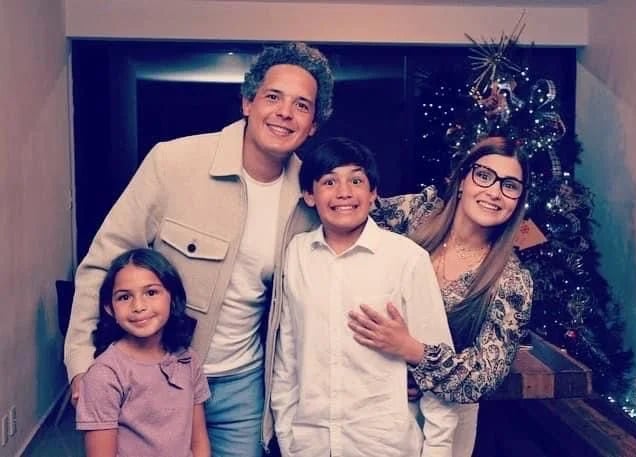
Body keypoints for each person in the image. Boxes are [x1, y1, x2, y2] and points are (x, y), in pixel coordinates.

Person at [64, 41, 334, 456]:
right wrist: (82, 363)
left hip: (243, 385)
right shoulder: (173, 163)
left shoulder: (311, 197)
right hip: (154, 376)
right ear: (247, 102)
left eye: (302, 105)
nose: (285, 112)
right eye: (273, 97)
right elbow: (104, 264)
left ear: (313, 124)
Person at [271, 137, 458, 457]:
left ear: (373, 194)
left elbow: (437, 361)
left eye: (356, 181)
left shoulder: (406, 259)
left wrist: (437, 450)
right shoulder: (297, 254)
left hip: (382, 446)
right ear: (309, 195)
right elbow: (288, 356)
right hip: (311, 445)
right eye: (329, 182)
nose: (344, 192)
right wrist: (288, 437)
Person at [349, 136, 534, 457]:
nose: (494, 192)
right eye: (484, 175)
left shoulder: (512, 280)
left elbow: (484, 376)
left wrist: (413, 352)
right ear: (462, 179)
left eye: (510, 185)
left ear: (518, 200)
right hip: (371, 404)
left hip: (445, 425)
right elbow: (347, 214)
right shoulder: (416, 214)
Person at [75, 248, 210, 457]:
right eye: (124, 297)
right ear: (110, 308)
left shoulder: (188, 360)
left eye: (151, 293)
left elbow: (199, 441)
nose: (138, 306)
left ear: (172, 297)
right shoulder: (104, 375)